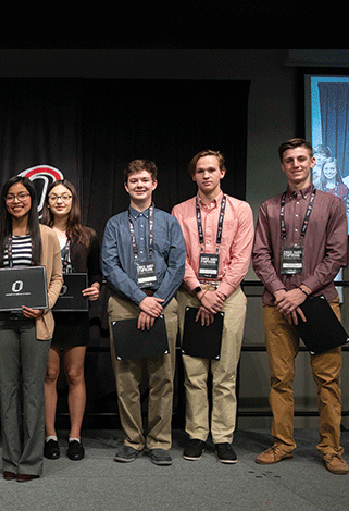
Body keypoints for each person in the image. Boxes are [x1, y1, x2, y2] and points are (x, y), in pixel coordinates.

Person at [252, 138, 348, 475]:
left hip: (320, 302)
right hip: (277, 305)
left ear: (311, 163)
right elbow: (260, 255)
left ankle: (332, 449)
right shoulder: (268, 207)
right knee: (280, 379)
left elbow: (337, 254)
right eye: (289, 160)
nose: (295, 164)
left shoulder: (333, 205)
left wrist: (303, 290)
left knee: (328, 380)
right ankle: (283, 444)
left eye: (301, 159)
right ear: (283, 166)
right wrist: (281, 292)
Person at [101, 159, 185, 466]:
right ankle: (132, 440)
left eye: (145, 180)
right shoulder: (114, 224)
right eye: (134, 180)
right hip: (125, 303)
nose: (139, 185)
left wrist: (157, 300)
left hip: (164, 302)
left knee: (163, 375)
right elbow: (110, 266)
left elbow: (178, 265)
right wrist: (140, 299)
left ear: (154, 184)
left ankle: (160, 441)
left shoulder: (169, 222)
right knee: (127, 377)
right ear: (126, 186)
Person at [171, 150, 253, 464]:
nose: (206, 175)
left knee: (224, 374)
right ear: (194, 175)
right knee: (193, 373)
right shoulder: (180, 211)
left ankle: (222, 437)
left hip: (229, 298)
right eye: (201, 171)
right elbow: (178, 258)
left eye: (212, 170)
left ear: (222, 173)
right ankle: (196, 435)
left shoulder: (240, 210)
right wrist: (199, 292)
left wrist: (217, 294)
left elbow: (241, 259)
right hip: (191, 297)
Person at [0, 176, 63, 482]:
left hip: (36, 322)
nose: (16, 201)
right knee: (8, 391)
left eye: (22, 196)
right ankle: (10, 457)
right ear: (3, 201)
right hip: (1, 322)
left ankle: (30, 461)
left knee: (32, 392)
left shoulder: (47, 235)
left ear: (32, 199)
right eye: (11, 197)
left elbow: (56, 278)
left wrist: (45, 304)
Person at [40, 179, 101, 462]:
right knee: (49, 375)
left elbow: (96, 272)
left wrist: (96, 287)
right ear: (47, 201)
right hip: (46, 313)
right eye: (54, 196)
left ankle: (75, 436)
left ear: (72, 201)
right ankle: (50, 435)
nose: (60, 201)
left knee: (75, 375)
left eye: (65, 196)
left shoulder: (88, 235)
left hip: (76, 314)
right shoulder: (37, 233)